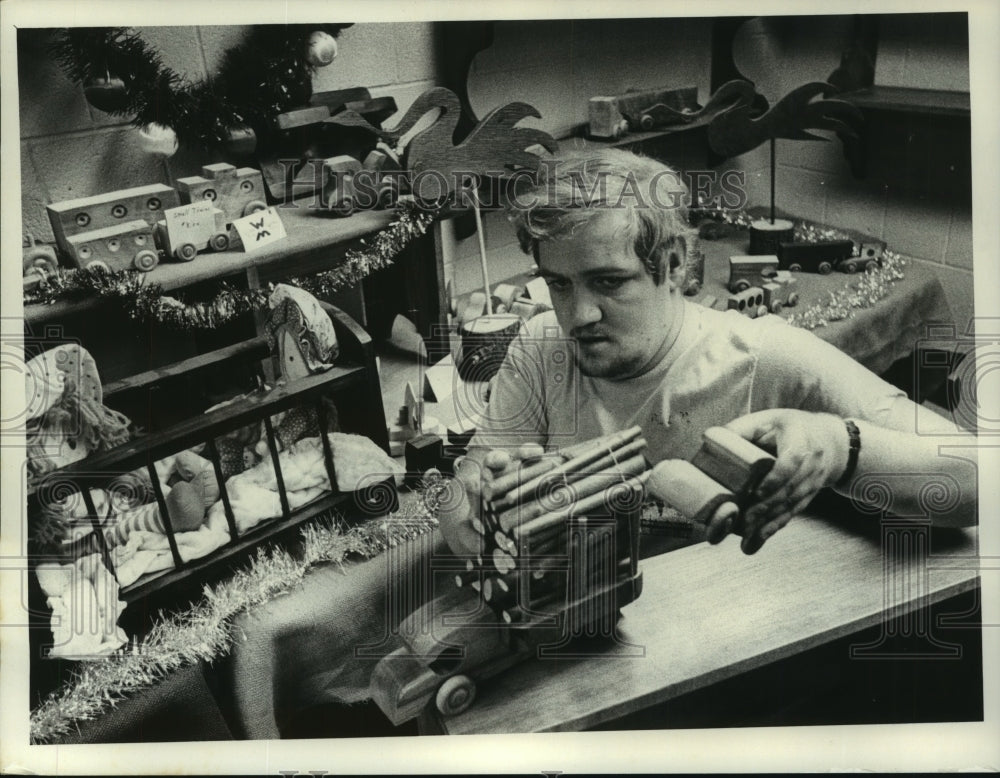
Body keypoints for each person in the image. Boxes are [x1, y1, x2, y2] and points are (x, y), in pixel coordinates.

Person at [438, 147, 977, 557]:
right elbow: (470, 486)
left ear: (672, 265)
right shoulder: (540, 349)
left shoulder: (769, 356)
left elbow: (982, 483)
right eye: (559, 284)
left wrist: (840, 447)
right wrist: (471, 510)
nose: (578, 316)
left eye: (608, 282)